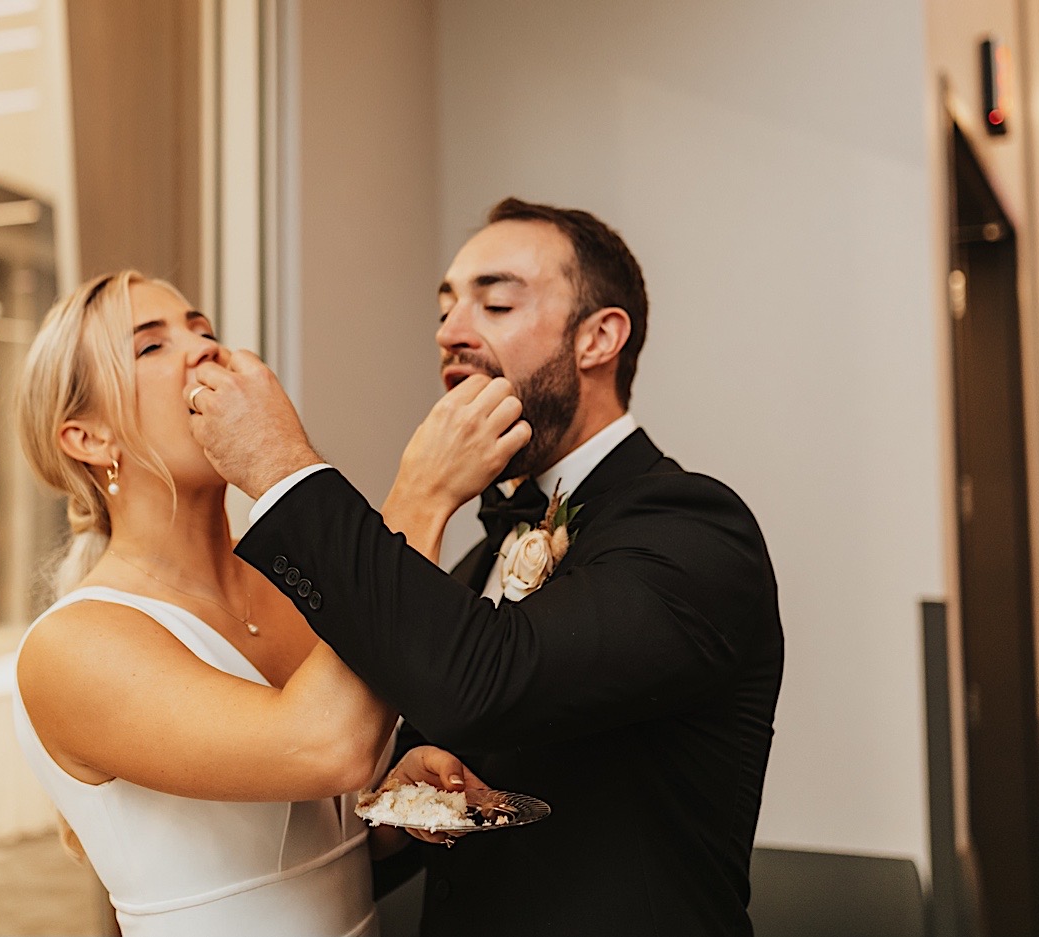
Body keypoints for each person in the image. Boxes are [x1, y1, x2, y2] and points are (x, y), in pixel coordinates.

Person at [186, 198, 785, 936]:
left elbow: (488, 682)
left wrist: (284, 468)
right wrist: (410, 794)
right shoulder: (478, 563)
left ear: (599, 337)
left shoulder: (694, 529)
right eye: (445, 307)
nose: (450, 330)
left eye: (495, 301)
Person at [10, 271, 402, 937]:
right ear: (90, 438)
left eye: (205, 330)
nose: (205, 351)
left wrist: (397, 806)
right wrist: (424, 488)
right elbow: (327, 746)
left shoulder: (292, 572)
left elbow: (323, 836)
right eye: (151, 347)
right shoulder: (69, 646)